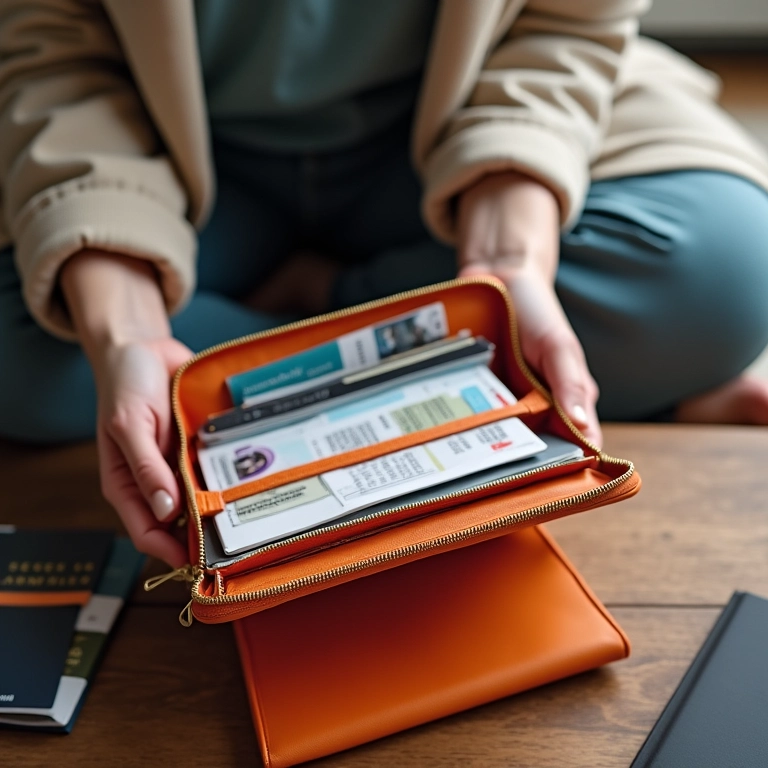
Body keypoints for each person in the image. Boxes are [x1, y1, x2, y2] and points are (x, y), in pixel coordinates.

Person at [1, 1, 768, 568]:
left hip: (466, 124)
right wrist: (123, 328)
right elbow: (49, 47)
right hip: (158, 148)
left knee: (730, 267)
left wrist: (507, 269)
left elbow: (561, 26)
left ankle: (267, 329)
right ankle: (622, 381)